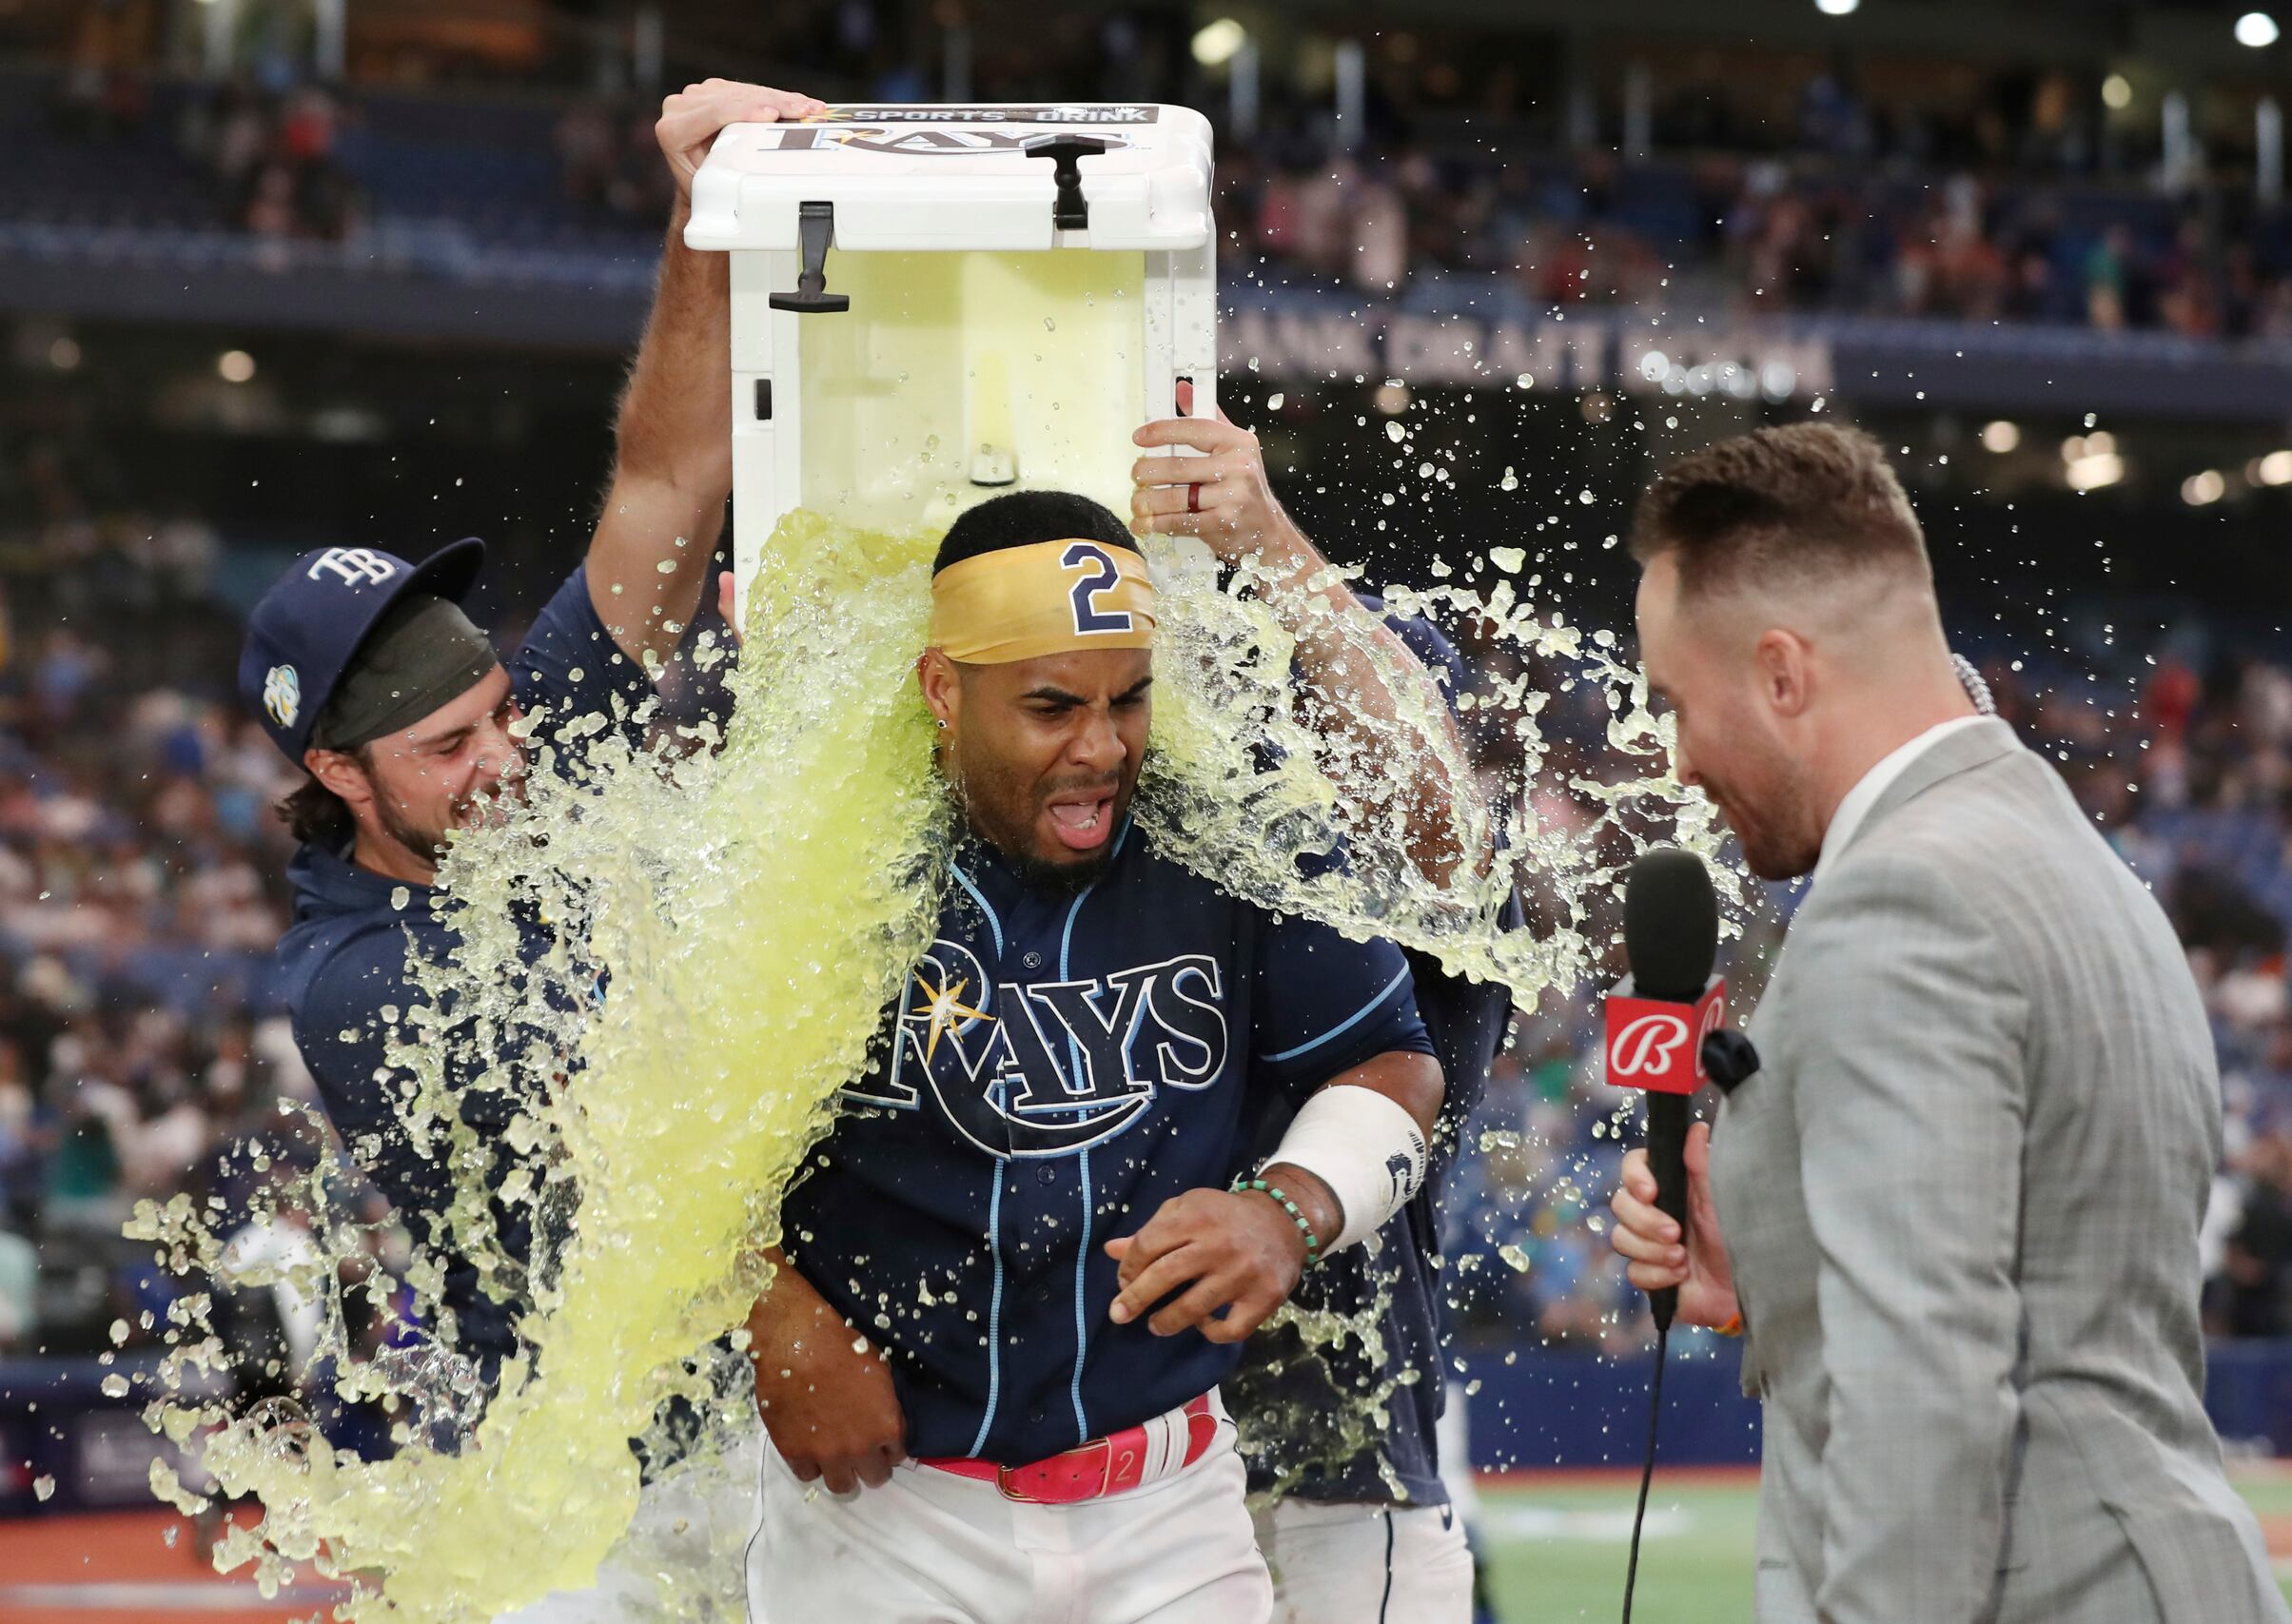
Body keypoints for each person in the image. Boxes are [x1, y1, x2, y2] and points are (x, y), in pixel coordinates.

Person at [240, 77, 824, 1621]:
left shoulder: (515, 754)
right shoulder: (350, 981)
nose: (507, 760)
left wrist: (704, 212)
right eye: (448, 747)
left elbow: (666, 483)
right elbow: (646, 1137)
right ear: (332, 775)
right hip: (601, 1507)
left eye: (503, 711)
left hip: (765, 1443)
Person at [1605, 423, 2290, 1624]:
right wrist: (1773, 1264)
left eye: (1678, 704)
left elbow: (1925, 1398)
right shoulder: (2056, 849)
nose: (1676, 762)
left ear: (1780, 673)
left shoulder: (1901, 897)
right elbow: (2042, 1270)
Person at [740, 487, 1448, 1624]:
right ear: (941, 691)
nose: (1100, 747)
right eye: (1050, 707)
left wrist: (1287, 1210)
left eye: (1129, 701)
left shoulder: (1227, 828)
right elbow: (627, 1119)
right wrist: (770, 1305)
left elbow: (1394, 1060)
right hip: (886, 1516)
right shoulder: (812, 853)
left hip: (1168, 1505)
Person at [1129, 411, 1510, 1622]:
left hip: (1333, 1460)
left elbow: (1438, 848)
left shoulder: (1363, 705)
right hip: (1086, 1447)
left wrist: (1274, 552)